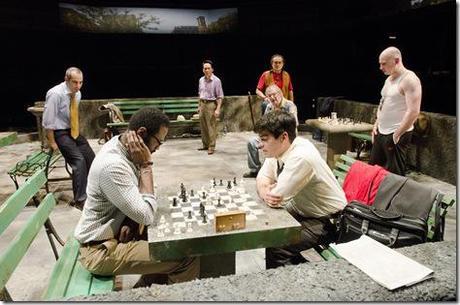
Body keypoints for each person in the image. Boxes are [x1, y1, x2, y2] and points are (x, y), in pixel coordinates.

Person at [74, 106, 199, 286]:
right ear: (141, 133)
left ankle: (145, 292)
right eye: (158, 142)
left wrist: (130, 220)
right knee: (185, 256)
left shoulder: (121, 145)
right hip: (99, 250)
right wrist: (146, 166)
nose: (158, 148)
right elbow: (146, 215)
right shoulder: (113, 166)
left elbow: (145, 194)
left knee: (172, 238)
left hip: (114, 236)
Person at [254, 110, 346, 269]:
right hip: (303, 210)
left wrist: (270, 190)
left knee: (277, 245)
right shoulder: (278, 150)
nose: (260, 145)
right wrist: (264, 191)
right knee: (268, 228)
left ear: (283, 137)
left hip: (328, 220)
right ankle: (296, 272)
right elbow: (262, 179)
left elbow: (276, 197)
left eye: (264, 139)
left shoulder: (301, 156)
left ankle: (283, 287)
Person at [42, 67, 95, 210]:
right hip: (60, 133)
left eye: (80, 83)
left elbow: (72, 116)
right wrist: (52, 143)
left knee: (91, 158)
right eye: (74, 82)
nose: (78, 86)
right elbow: (48, 121)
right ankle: (80, 200)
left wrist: (76, 133)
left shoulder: (77, 94)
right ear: (66, 80)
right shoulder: (55, 94)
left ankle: (93, 193)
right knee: (79, 160)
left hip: (73, 132)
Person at [370, 46, 422, 176]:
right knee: (374, 169)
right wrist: (376, 124)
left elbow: (414, 111)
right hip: (381, 130)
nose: (381, 67)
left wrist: (397, 134)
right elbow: (383, 102)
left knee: (394, 174)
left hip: (395, 132)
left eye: (384, 64)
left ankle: (394, 197)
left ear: (397, 60)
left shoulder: (409, 79)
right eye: (380, 64)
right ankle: (375, 196)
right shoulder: (389, 79)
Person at [243, 84, 298, 178]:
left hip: (284, 136)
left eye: (274, 94)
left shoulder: (289, 105)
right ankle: (255, 169)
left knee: (271, 149)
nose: (272, 98)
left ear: (280, 93)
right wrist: (262, 137)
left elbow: (293, 124)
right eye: (269, 96)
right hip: (271, 135)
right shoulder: (269, 107)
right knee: (252, 142)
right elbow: (265, 123)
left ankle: (274, 172)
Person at [197, 59, 224, 155]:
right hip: (203, 104)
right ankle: (205, 144)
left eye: (208, 68)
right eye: (205, 68)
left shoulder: (216, 81)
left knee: (211, 126)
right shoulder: (201, 80)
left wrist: (217, 109)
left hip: (211, 104)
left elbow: (220, 96)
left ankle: (211, 146)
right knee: (203, 126)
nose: (206, 70)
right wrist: (199, 106)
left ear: (212, 69)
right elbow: (200, 93)